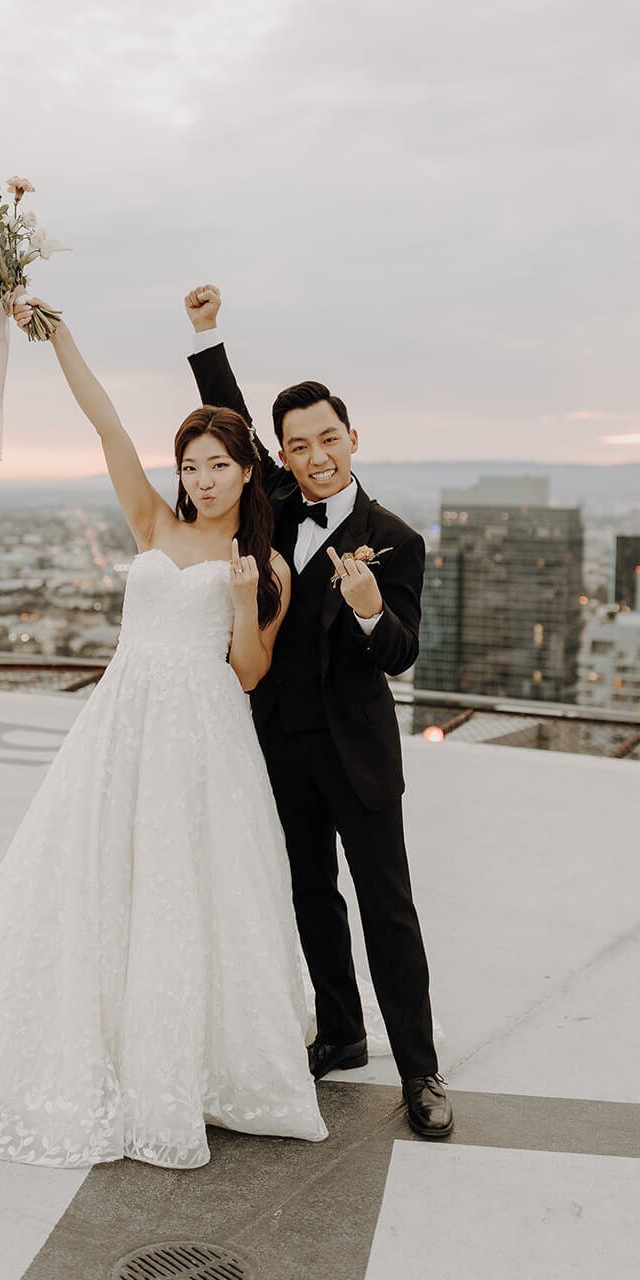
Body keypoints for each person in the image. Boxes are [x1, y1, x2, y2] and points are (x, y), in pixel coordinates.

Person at [0, 318, 327, 1169]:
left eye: (219, 465)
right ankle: (94, 1030)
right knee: (98, 874)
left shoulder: (269, 566)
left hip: (204, 739)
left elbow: (249, 675)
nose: (203, 479)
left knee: (189, 886)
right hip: (121, 725)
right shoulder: (152, 523)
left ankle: (178, 1059)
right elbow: (106, 424)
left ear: (249, 471)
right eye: (190, 465)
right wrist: (59, 339)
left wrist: (253, 598)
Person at [183, 285, 453, 1140]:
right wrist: (206, 334)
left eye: (327, 438)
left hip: (359, 753)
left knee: (387, 910)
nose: (314, 455)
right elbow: (227, 420)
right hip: (278, 746)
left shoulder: (396, 538)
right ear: (285, 457)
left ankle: (421, 1071)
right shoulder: (274, 507)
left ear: (352, 438)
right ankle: (339, 1035)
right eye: (297, 445)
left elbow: (400, 652)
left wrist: (371, 607)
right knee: (309, 898)